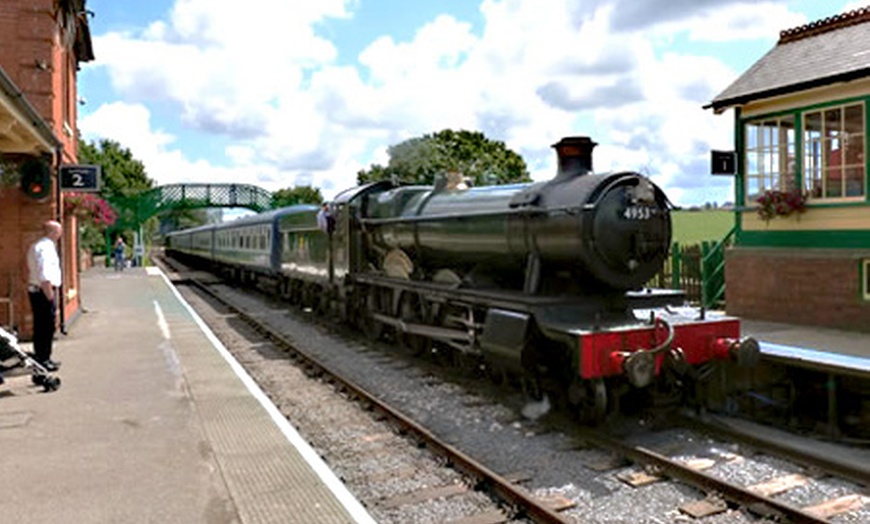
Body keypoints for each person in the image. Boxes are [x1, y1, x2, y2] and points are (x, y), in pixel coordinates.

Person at [26, 220, 62, 371]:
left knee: (40, 326)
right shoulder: (46, 248)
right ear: (53, 232)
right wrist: (50, 295)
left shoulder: (36, 246)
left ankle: (41, 357)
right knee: (46, 327)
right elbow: (45, 274)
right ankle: (44, 359)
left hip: (34, 289)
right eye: (59, 231)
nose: (60, 235)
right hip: (43, 291)